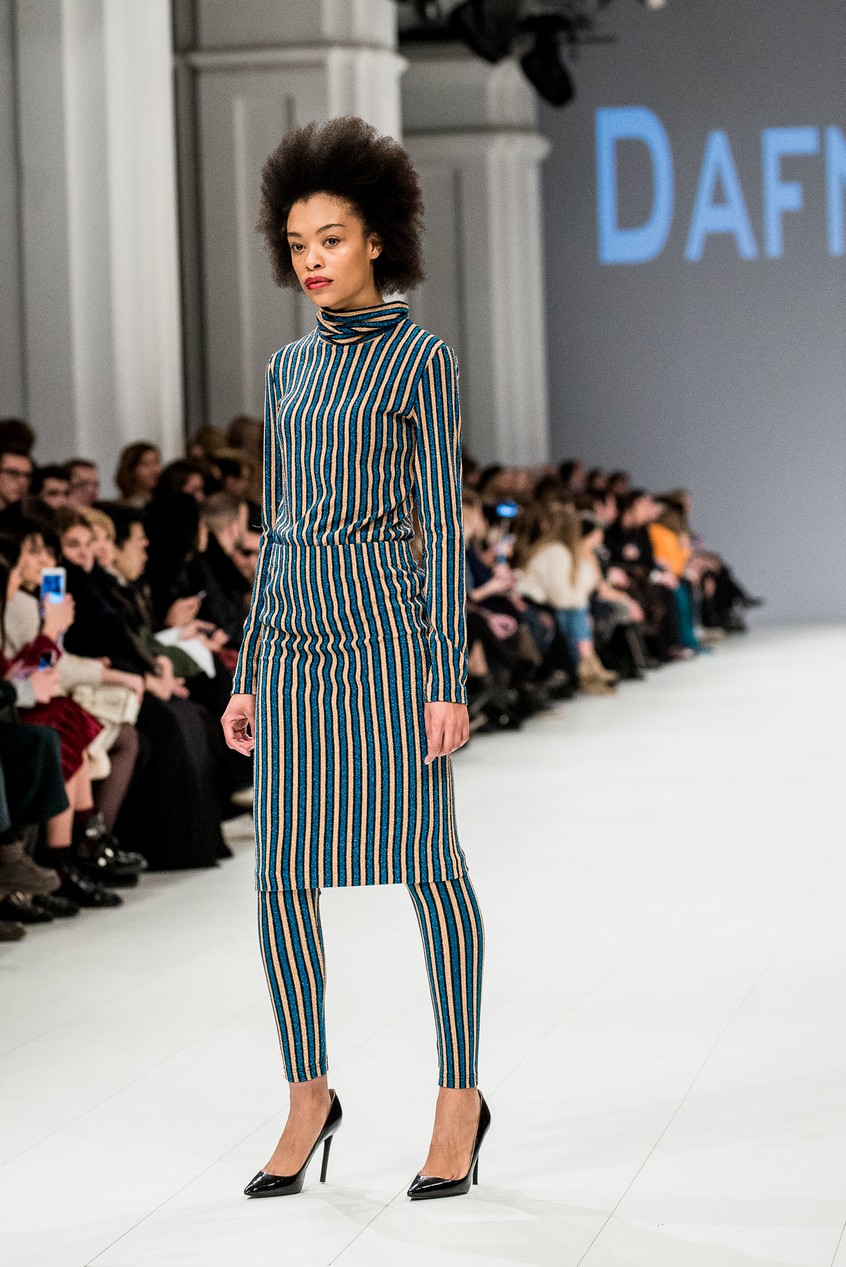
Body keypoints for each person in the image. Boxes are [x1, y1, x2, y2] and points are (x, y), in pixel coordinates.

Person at [220, 115, 490, 1202]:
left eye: (330, 238)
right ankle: (308, 1095)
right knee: (282, 879)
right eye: (297, 243)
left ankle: (459, 1099)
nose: (312, 259)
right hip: (290, 644)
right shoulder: (286, 368)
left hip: (384, 640)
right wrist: (247, 668)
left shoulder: (424, 360)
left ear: (378, 238)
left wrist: (445, 676)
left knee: (431, 869)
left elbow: (441, 526)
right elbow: (276, 523)